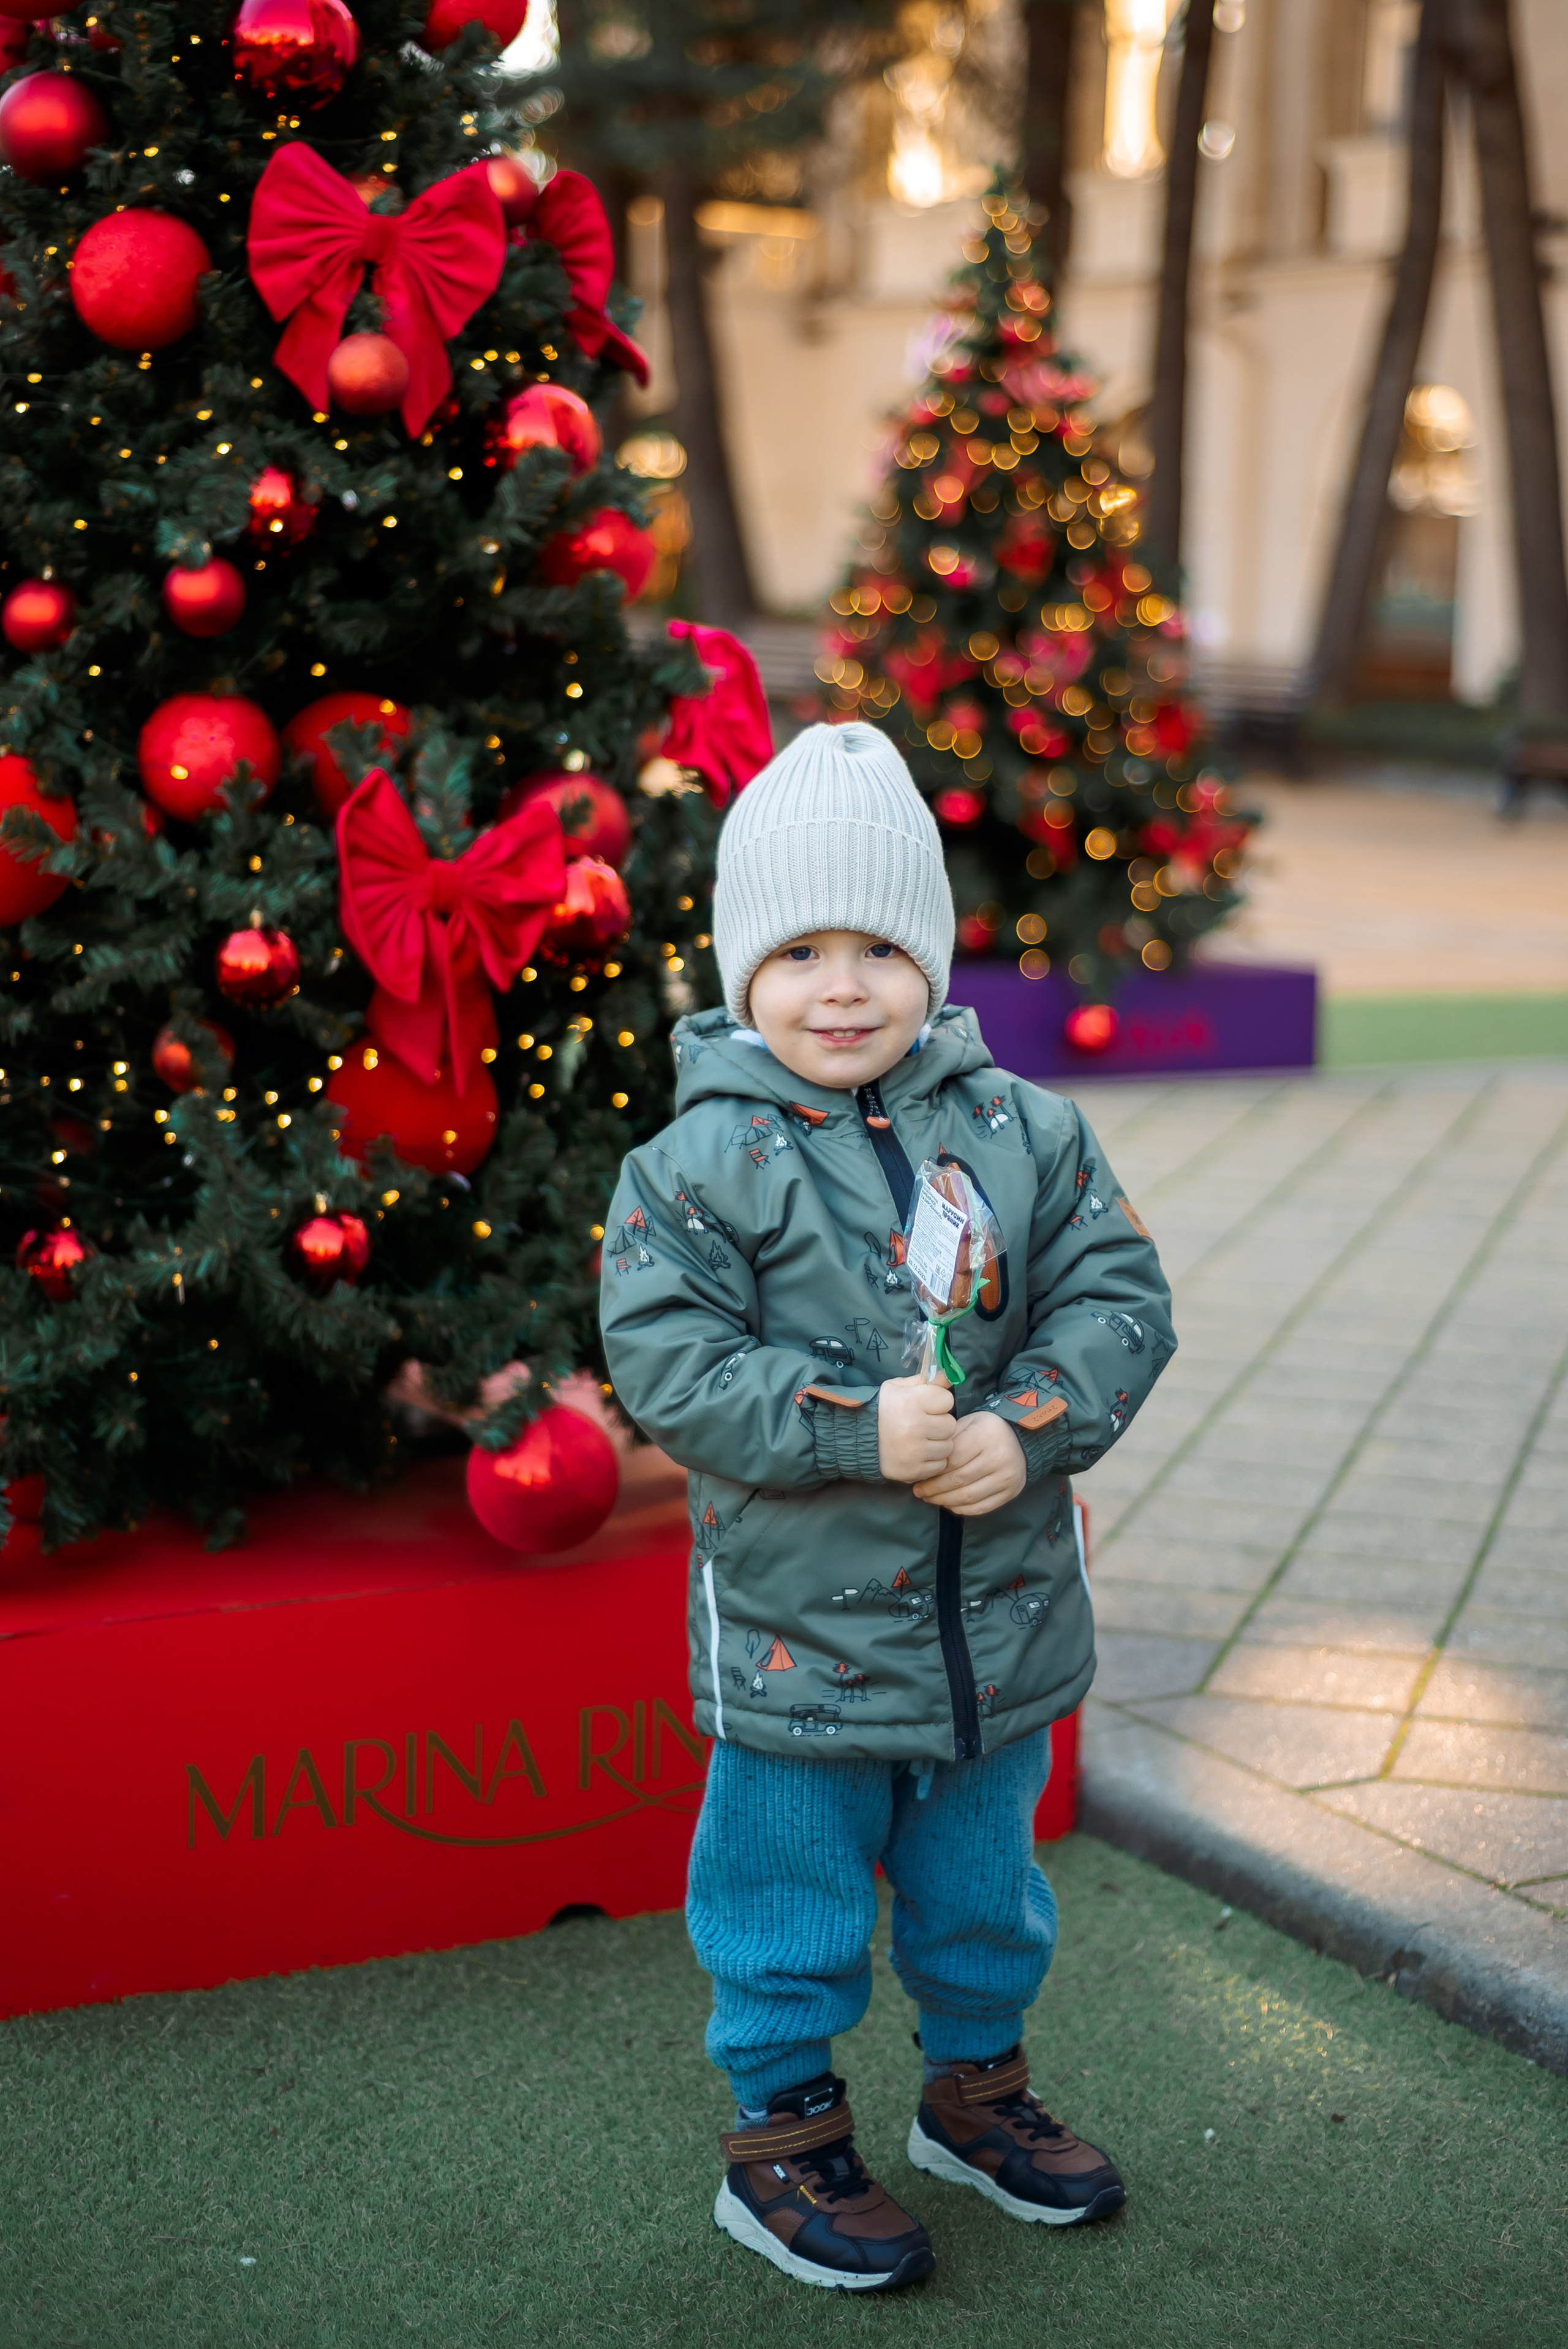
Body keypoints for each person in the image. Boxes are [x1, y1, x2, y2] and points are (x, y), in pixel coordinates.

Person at [600, 723, 1175, 2293]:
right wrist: (859, 1428)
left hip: (999, 1624)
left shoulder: (1024, 1132)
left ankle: (972, 2089)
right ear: (737, 967)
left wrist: (1030, 1425)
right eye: (797, 951)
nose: (839, 985)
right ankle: (779, 2134)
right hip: (802, 1646)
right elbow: (669, 1364)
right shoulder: (690, 1166)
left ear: (929, 957)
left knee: (984, 1888)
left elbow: (1117, 1294)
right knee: (783, 1896)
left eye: (875, 946)